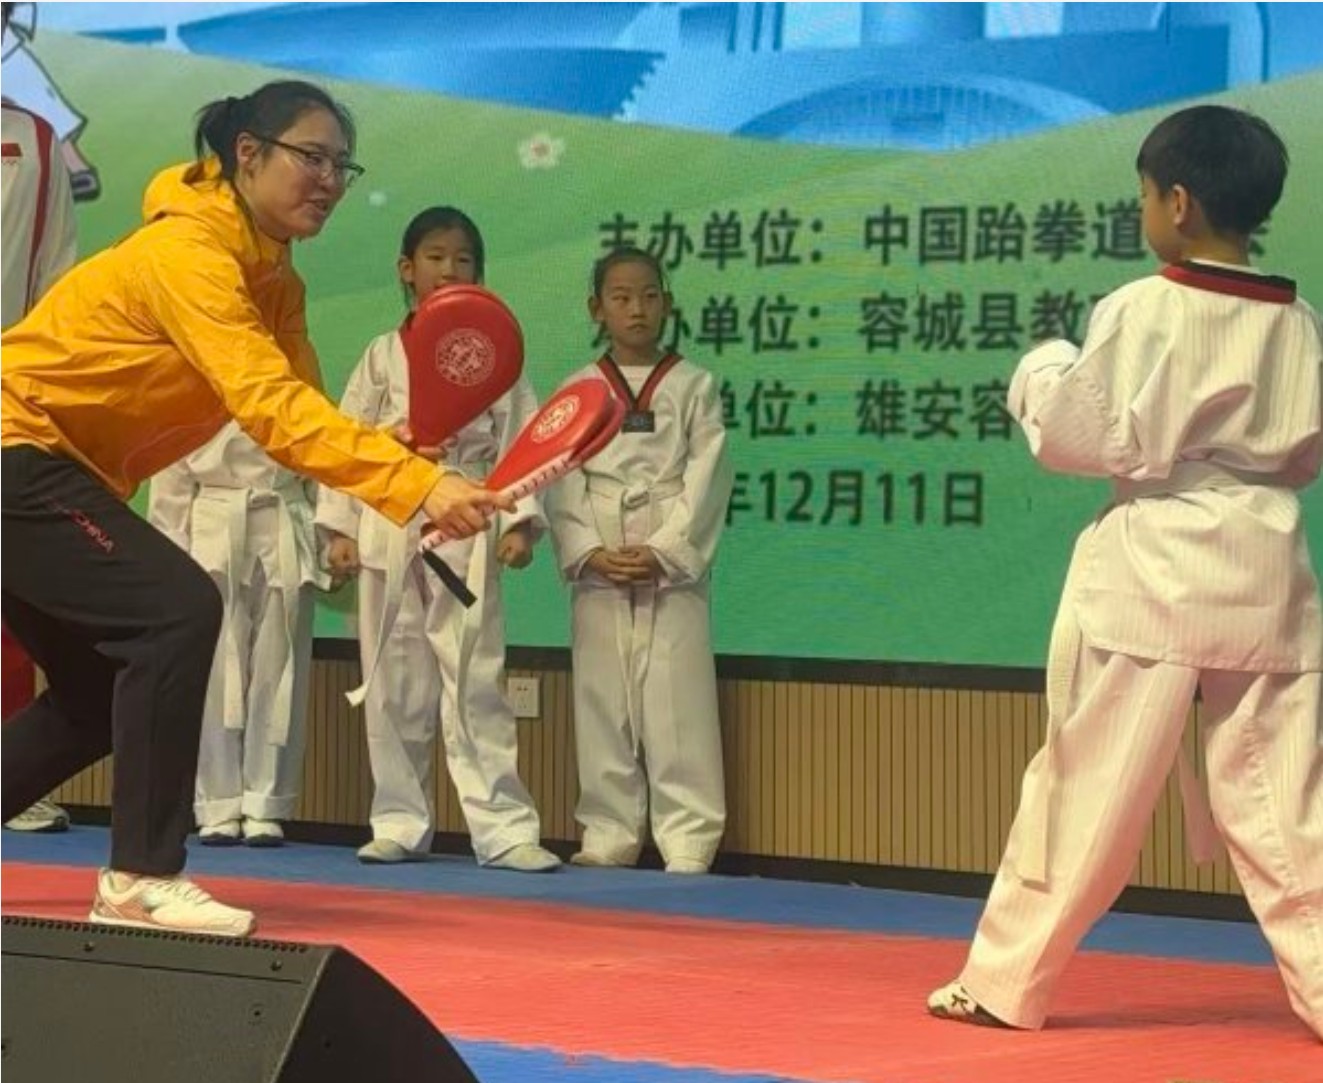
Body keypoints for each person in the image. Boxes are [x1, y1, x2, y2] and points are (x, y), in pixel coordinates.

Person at [0, 80, 511, 938]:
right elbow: (273, 408)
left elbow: (301, 418)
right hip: (17, 450)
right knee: (175, 611)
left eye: (342, 165)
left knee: (91, 690)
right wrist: (418, 487)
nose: (329, 180)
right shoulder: (189, 252)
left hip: (48, 467)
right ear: (248, 154)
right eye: (311, 157)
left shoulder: (276, 279)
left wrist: (396, 457)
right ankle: (139, 877)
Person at [927, 105, 1323, 1041]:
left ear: (1176, 202)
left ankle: (1006, 980)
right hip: (1265, 564)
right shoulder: (1300, 319)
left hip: (1156, 569)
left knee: (1088, 783)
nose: (1144, 210)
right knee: (1289, 805)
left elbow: (1080, 435)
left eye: (1144, 195)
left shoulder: (1146, 306)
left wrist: (1040, 369)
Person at [319, 206, 561, 873]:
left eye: (463, 259)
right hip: (389, 518)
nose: (448, 269)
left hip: (466, 516)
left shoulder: (495, 352)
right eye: (434, 257)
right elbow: (345, 440)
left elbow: (523, 441)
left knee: (475, 677)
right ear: (406, 269)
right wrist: (339, 527)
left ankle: (503, 828)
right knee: (393, 680)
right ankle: (398, 820)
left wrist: (520, 520)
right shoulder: (380, 354)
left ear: (479, 274)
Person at [546, 246, 732, 874]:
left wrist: (665, 549)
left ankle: (689, 835)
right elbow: (560, 473)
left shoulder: (694, 385)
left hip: (668, 548)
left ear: (667, 304)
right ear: (596, 308)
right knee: (602, 696)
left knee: (679, 698)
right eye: (621, 297)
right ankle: (609, 828)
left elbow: (708, 474)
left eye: (650, 296)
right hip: (601, 548)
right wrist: (588, 550)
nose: (637, 309)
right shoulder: (578, 389)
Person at [148, 420, 322, 848]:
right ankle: (217, 802)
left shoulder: (297, 387)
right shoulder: (192, 395)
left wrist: (329, 535)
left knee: (279, 668)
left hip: (284, 516)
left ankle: (267, 802)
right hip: (213, 523)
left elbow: (323, 462)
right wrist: (168, 559)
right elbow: (171, 479)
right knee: (213, 673)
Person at [1, 79, 77, 834]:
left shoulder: (36, 141)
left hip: (6, 390)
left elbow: (57, 280)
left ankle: (12, 776)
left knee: (11, 588)